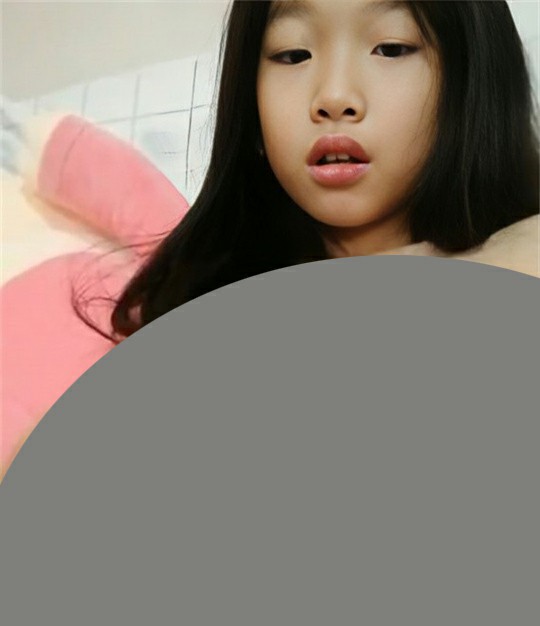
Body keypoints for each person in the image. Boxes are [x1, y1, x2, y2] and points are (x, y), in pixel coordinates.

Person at [1, 0, 539, 473]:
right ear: (251, 111)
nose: (334, 96)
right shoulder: (201, 321)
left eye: (392, 48)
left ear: (475, 80)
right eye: (292, 54)